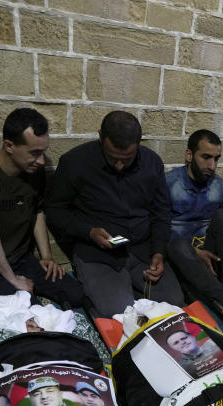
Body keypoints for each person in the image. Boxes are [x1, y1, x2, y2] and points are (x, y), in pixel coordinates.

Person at [45, 111, 184, 317]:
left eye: (127, 159)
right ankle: (117, 292)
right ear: (100, 137)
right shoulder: (75, 162)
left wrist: (159, 252)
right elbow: (55, 210)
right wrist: (88, 232)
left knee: (173, 304)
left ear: (138, 144)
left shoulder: (151, 162)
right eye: (113, 158)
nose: (119, 166)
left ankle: (128, 288)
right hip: (97, 252)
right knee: (117, 313)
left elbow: (161, 211)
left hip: (141, 249)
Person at [0, 108, 83, 308]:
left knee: (75, 294)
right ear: (9, 146)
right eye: (34, 153)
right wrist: (14, 280)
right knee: (28, 308)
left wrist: (47, 257)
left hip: (21, 259)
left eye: (43, 153)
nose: (41, 161)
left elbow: (37, 212)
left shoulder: (33, 172)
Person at [165, 129, 223, 305]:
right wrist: (195, 252)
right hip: (181, 251)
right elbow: (159, 227)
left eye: (216, 159)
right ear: (189, 155)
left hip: (208, 249)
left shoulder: (217, 185)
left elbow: (222, 228)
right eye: (206, 157)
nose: (212, 166)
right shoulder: (169, 183)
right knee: (179, 246)